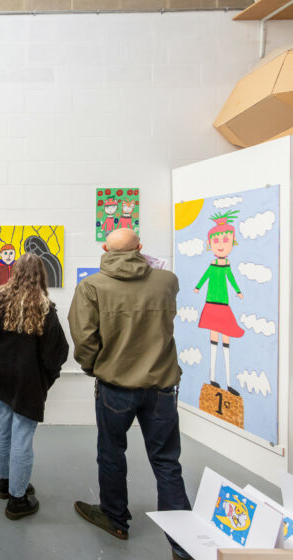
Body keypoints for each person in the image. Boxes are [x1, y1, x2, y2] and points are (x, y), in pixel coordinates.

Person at [68, 229, 192, 560]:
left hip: (115, 387)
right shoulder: (167, 281)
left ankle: (115, 518)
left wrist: (96, 366)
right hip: (161, 387)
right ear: (140, 247)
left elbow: (83, 340)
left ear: (105, 248)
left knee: (111, 454)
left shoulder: (91, 286)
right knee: (167, 463)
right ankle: (183, 547)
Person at [0, 253, 69, 521]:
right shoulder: (43, 306)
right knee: (22, 439)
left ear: (15, 272)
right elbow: (57, 353)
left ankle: (5, 483)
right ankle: (17, 500)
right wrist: (49, 376)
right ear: (41, 274)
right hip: (27, 382)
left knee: (2, 432)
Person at [194, 210, 244, 395]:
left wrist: (238, 291)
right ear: (210, 244)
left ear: (232, 241)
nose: (221, 245)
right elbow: (205, 277)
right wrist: (198, 287)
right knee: (214, 339)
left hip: (223, 305)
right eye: (216, 241)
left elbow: (231, 280)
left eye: (225, 240)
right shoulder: (212, 266)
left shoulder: (227, 267)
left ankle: (229, 381)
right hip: (211, 304)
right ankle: (213, 377)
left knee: (226, 338)